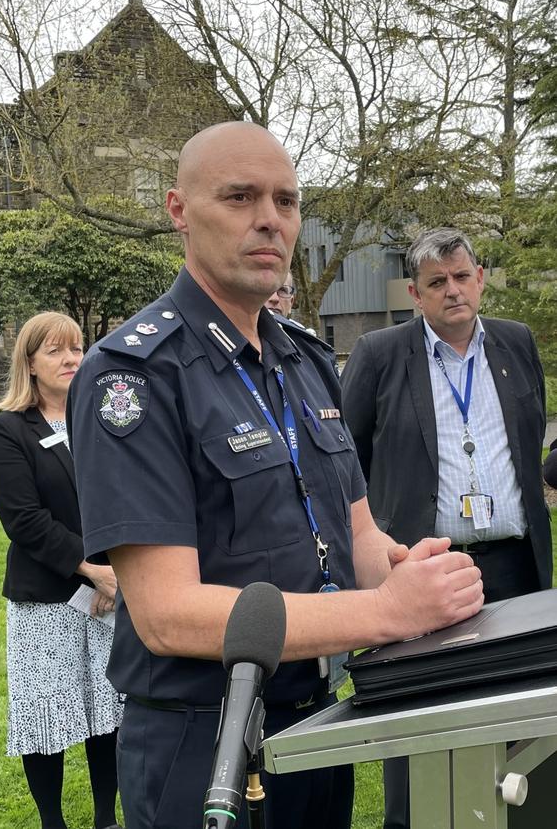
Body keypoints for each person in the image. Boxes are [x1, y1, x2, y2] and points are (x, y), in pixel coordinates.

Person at [67, 122, 483, 829]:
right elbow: (167, 613)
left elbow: (356, 535)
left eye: (287, 201)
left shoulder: (307, 359)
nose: (270, 220)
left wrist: (416, 573)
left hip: (321, 720)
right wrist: (388, 612)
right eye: (239, 196)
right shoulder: (134, 375)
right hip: (204, 741)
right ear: (179, 210)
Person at [340, 227, 552, 829]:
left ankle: (521, 816)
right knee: (422, 712)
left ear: (480, 279)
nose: (453, 291)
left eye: (462, 277)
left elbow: (528, 438)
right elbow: (344, 458)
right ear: (415, 292)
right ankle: (412, 820)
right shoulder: (380, 355)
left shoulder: (515, 343)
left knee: (520, 708)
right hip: (421, 567)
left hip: (514, 564)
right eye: (437, 282)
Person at [0, 312, 124, 829]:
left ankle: (107, 817)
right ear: (30, 364)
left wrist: (114, 571)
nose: (70, 359)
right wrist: (93, 571)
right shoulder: (6, 430)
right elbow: (25, 520)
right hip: (47, 599)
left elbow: (125, 498)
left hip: (113, 591)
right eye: (55, 351)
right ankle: (53, 822)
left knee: (108, 710)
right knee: (48, 716)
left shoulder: (104, 418)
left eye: (77, 348)